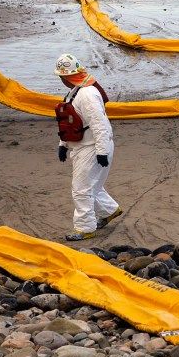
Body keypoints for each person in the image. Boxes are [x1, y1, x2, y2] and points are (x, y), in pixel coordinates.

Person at [53, 53, 123, 241]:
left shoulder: (86, 94)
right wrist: (63, 145)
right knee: (93, 186)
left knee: (81, 189)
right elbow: (70, 122)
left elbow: (99, 124)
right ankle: (110, 211)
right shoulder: (75, 92)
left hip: (92, 147)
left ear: (66, 76)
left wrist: (101, 151)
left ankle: (85, 228)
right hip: (84, 145)